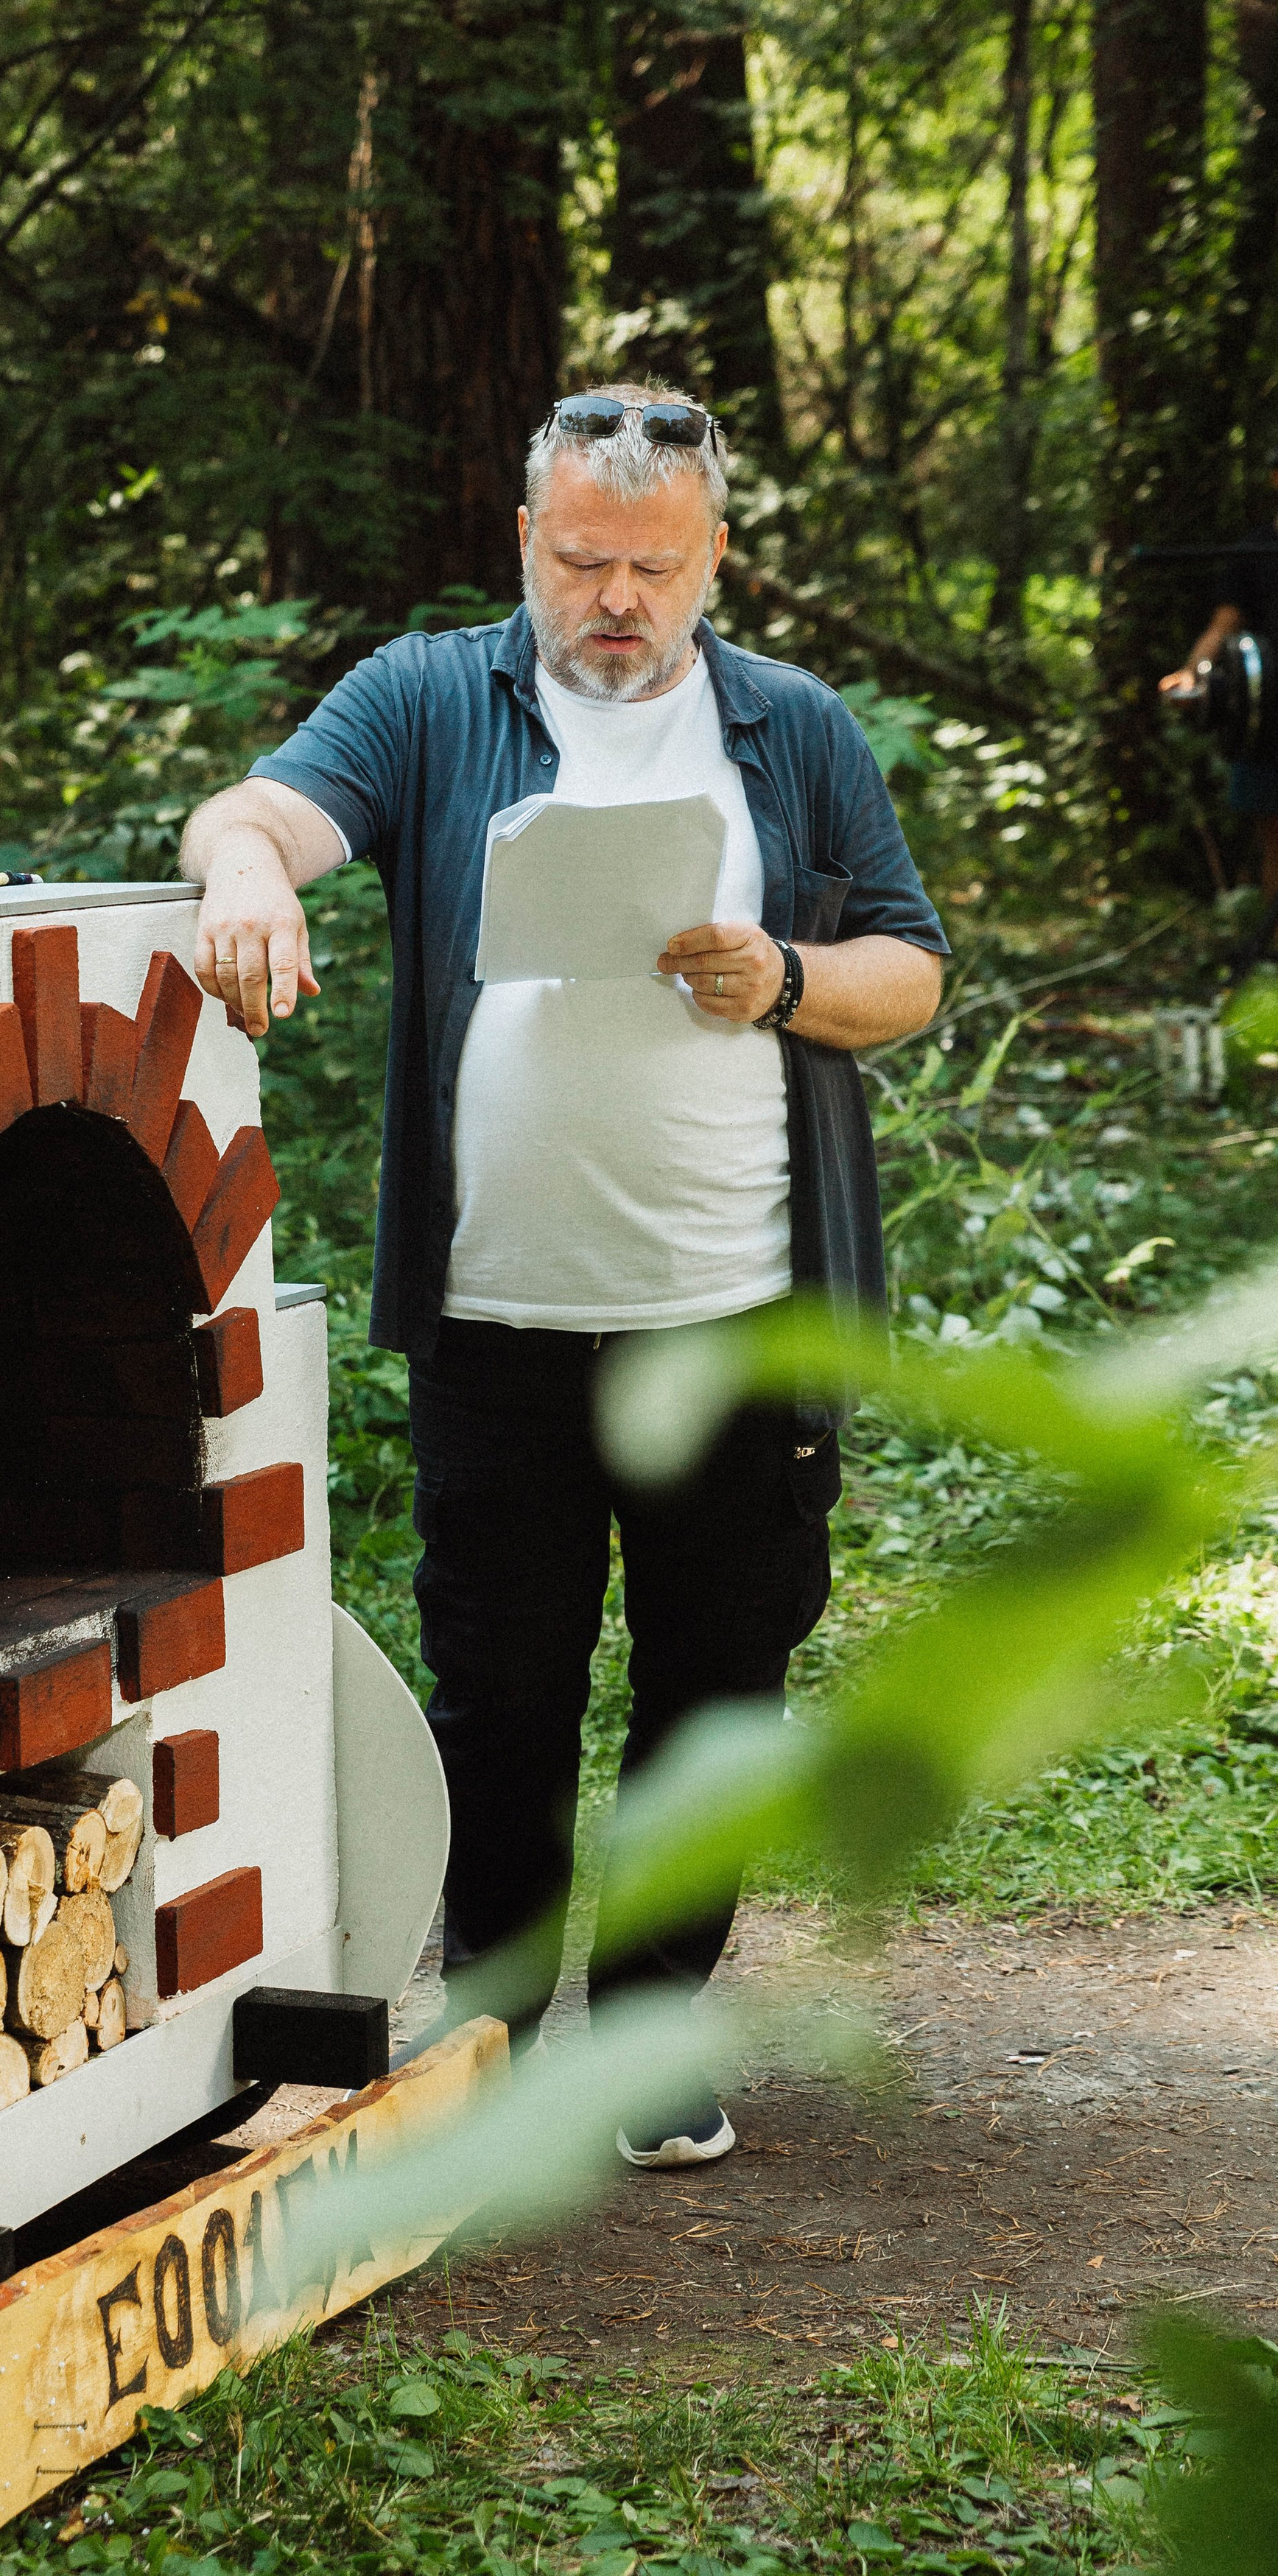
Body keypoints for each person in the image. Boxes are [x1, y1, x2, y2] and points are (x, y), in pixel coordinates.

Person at [180, 383, 947, 2169]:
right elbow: (259, 812)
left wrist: (776, 977)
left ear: (712, 560)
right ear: (523, 539)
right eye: (584, 559)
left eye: (654, 566)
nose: (617, 598)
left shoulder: (793, 728)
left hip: (735, 1310)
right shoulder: (431, 698)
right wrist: (246, 880)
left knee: (710, 1690)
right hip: (497, 1320)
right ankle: (494, 2031)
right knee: (500, 1688)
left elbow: (906, 970)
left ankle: (652, 2040)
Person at [1158, 470, 1278, 897]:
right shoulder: (1254, 550)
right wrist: (1192, 675)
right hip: (1269, 720)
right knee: (1275, 837)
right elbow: (1224, 626)